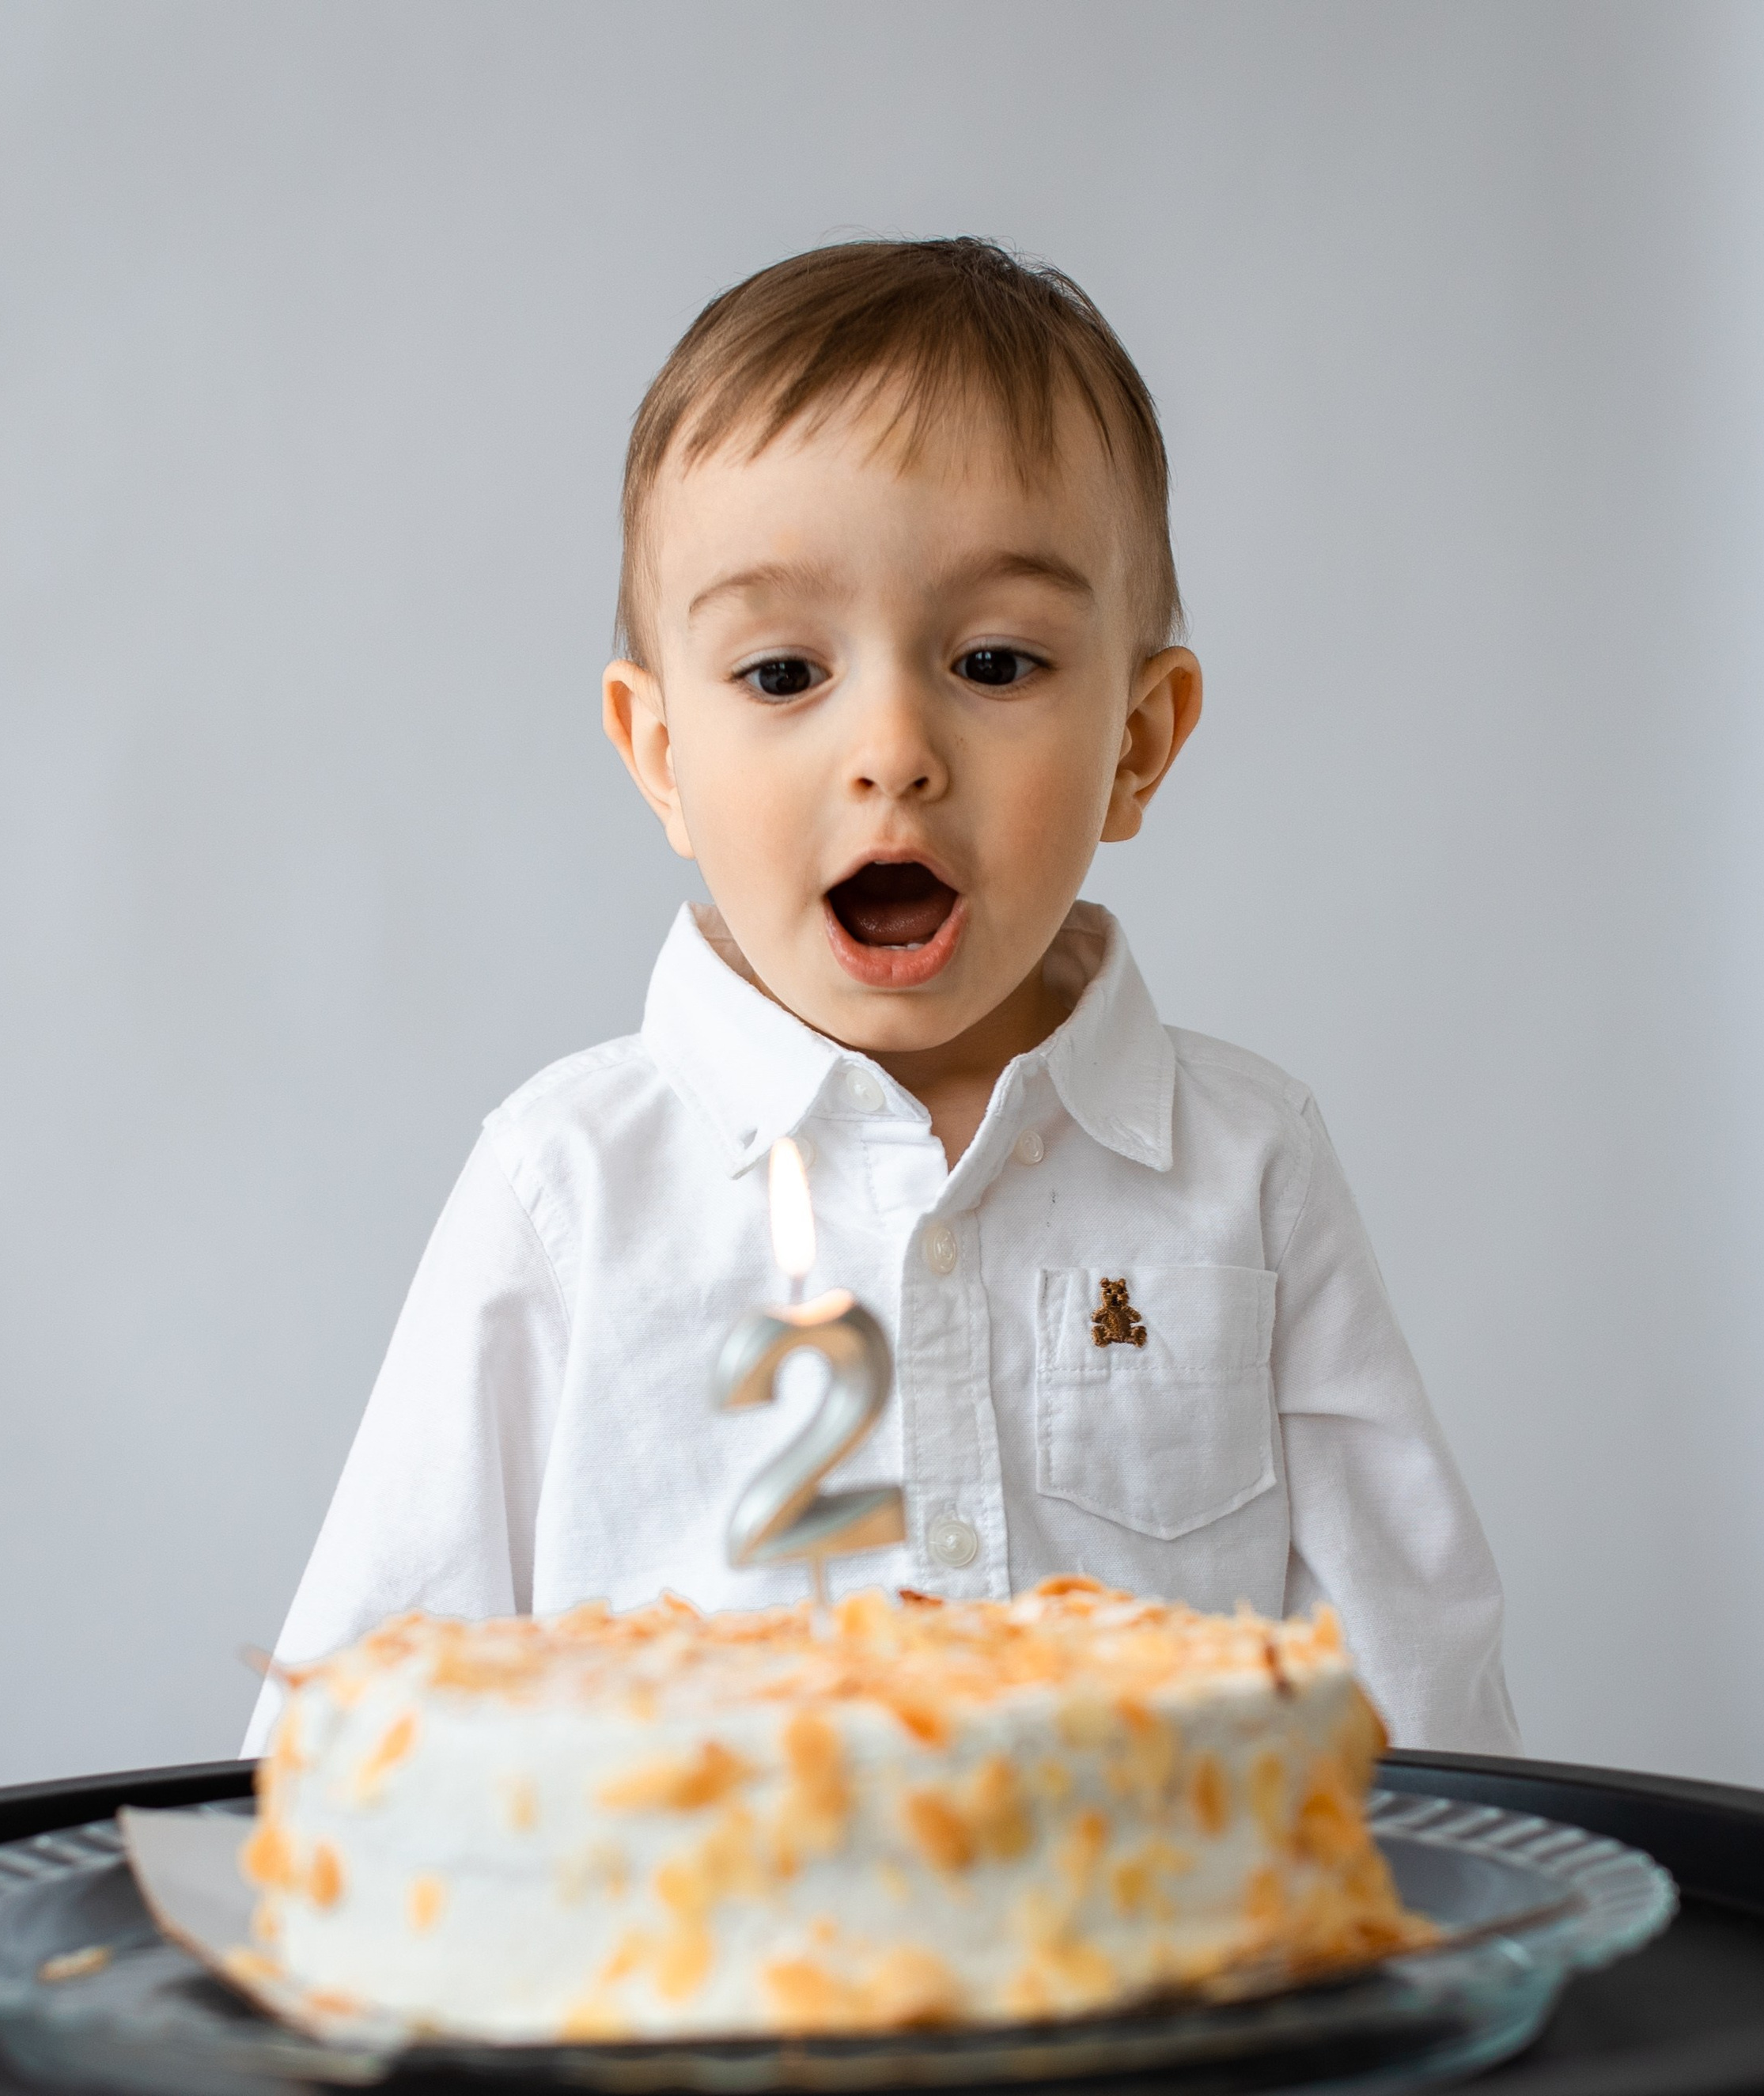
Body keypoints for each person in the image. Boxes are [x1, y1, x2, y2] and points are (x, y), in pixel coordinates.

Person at [243, 237, 1520, 1757]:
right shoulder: (568, 1189)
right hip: (696, 1983)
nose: (894, 748)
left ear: (1139, 738)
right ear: (660, 755)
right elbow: (352, 1723)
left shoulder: (1248, 1166)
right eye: (784, 675)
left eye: (993, 659)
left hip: (1164, 1979)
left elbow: (1420, 1690)